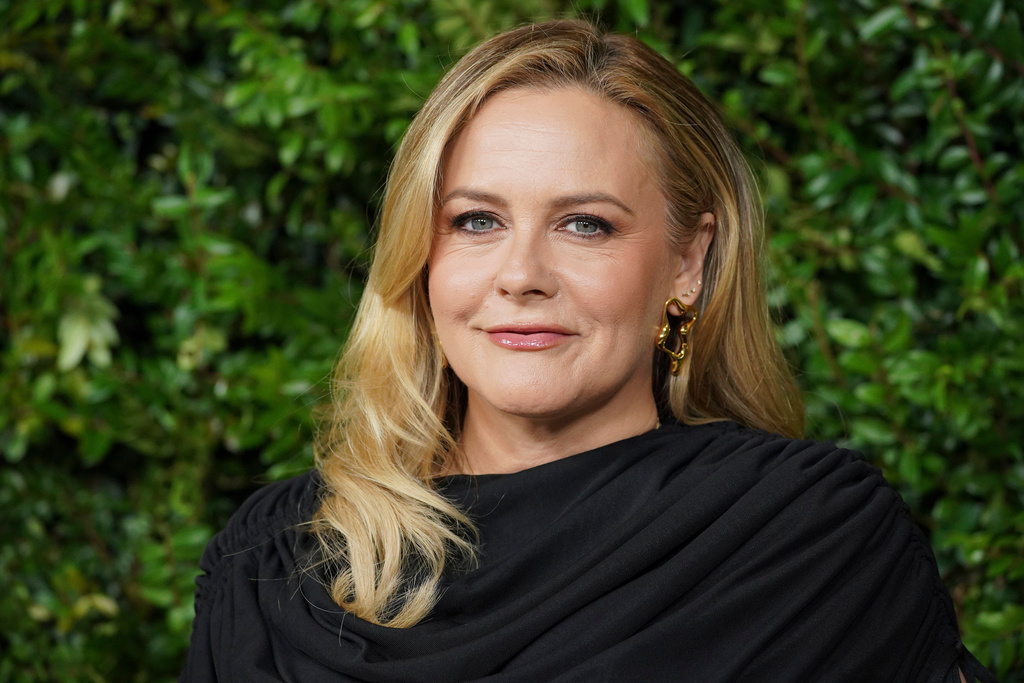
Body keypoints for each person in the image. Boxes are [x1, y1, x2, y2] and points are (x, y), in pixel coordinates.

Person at [181, 19, 995, 682]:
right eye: (475, 220)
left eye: (585, 224)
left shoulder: (807, 538)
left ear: (687, 262)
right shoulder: (278, 554)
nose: (522, 275)